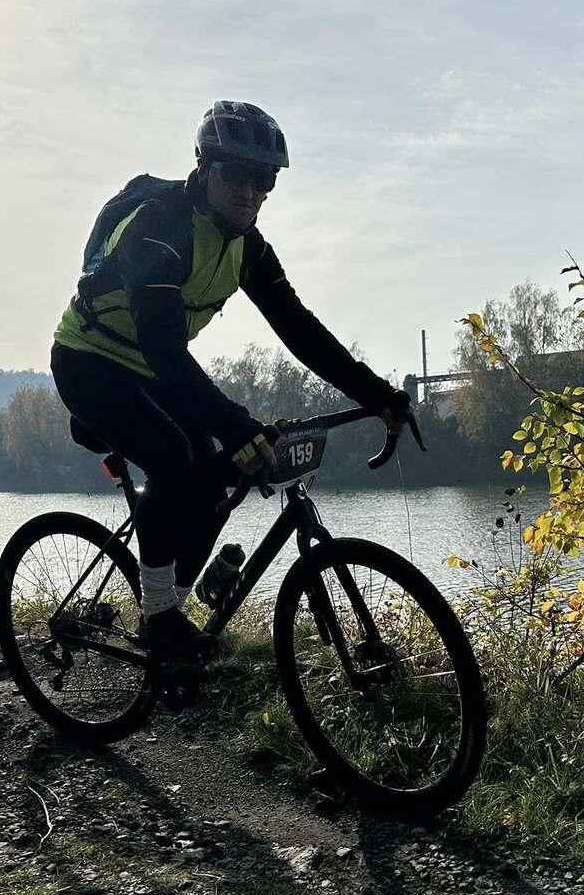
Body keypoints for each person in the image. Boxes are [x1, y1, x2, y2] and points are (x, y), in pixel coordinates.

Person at [51, 101, 412, 659]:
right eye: (238, 174)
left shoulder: (248, 247)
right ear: (204, 168)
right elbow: (165, 352)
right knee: (173, 456)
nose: (251, 192)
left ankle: (171, 613)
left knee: (213, 481)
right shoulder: (159, 230)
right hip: (90, 360)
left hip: (149, 370)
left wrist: (377, 394)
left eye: (265, 179)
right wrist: (239, 425)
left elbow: (299, 329)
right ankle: (159, 619)